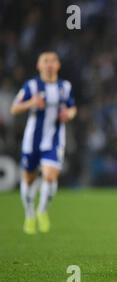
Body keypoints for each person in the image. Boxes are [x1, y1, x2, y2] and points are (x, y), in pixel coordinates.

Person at [10, 51, 77, 235]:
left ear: (58, 65)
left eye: (53, 60)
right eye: (45, 61)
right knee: (29, 179)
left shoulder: (65, 86)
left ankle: (42, 211)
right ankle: (29, 213)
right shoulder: (31, 86)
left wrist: (68, 114)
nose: (49, 64)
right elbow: (14, 108)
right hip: (32, 140)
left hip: (54, 138)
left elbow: (72, 108)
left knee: (49, 176)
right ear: (39, 66)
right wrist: (31, 102)